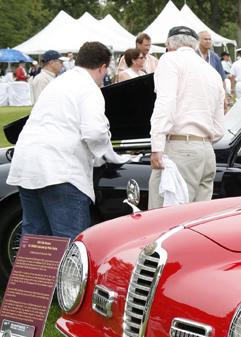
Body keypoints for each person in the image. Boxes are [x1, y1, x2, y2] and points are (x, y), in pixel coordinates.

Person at [7, 42, 126, 240]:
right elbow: (94, 132)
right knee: (69, 241)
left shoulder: (58, 82)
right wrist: (110, 154)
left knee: (35, 239)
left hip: (26, 164)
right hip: (59, 171)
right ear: (103, 67)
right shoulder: (89, 88)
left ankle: (33, 272)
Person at [148, 26, 226, 209]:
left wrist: (157, 145)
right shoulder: (213, 73)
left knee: (163, 220)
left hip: (181, 148)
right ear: (196, 45)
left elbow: (165, 103)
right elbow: (219, 129)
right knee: (196, 223)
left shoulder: (170, 59)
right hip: (206, 151)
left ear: (169, 45)